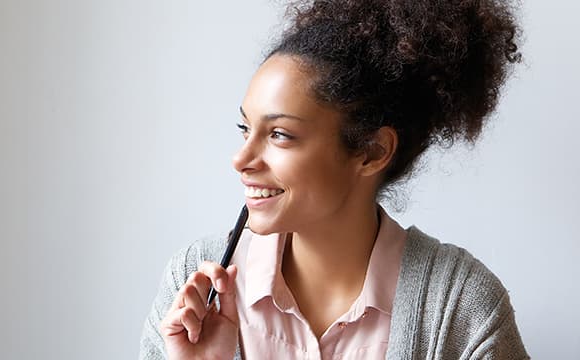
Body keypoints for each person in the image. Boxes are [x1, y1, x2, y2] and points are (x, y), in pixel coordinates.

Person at [139, 0, 527, 358]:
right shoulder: (192, 286)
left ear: (373, 152)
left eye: (279, 135)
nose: (240, 160)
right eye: (245, 128)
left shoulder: (461, 308)